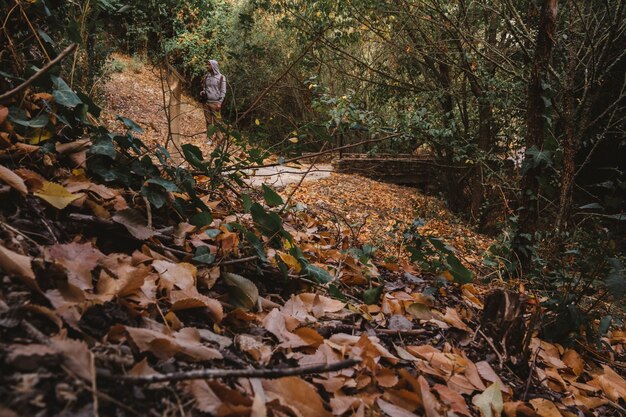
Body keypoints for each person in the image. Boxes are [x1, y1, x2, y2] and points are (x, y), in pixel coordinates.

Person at [200, 60, 226, 145]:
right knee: (208, 122)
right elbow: (205, 88)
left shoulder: (221, 77)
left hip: (216, 104)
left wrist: (220, 102)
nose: (207, 66)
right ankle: (210, 139)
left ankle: (220, 140)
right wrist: (203, 92)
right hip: (206, 103)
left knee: (217, 122)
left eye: (209, 64)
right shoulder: (207, 76)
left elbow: (223, 91)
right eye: (207, 64)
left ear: (214, 66)